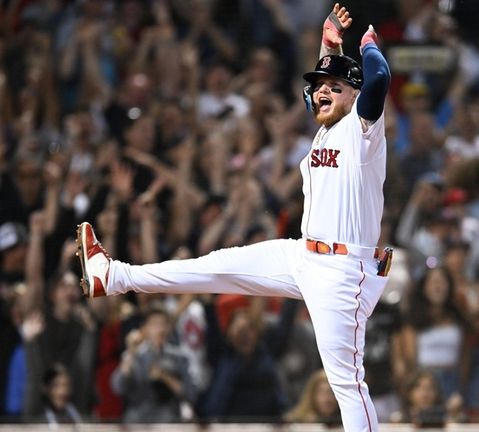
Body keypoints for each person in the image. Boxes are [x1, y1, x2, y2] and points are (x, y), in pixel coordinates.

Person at [76, 3, 392, 431]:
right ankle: (112, 277)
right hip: (303, 256)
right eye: (319, 86)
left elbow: (379, 79)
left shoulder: (363, 132)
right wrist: (328, 45)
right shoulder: (326, 130)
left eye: (335, 87)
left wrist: (369, 45)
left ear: (352, 97)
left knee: (348, 384)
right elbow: (326, 92)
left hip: (343, 272)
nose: (322, 91)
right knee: (213, 265)